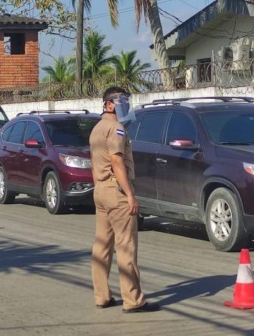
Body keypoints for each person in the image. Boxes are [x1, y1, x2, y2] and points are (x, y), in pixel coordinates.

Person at [89, 86, 160, 313]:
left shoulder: (97, 128)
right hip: (116, 191)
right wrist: (129, 195)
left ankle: (102, 296)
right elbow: (117, 162)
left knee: (102, 246)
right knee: (126, 247)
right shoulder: (116, 129)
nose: (126, 105)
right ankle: (133, 300)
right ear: (109, 104)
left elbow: (94, 164)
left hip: (100, 190)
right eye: (122, 101)